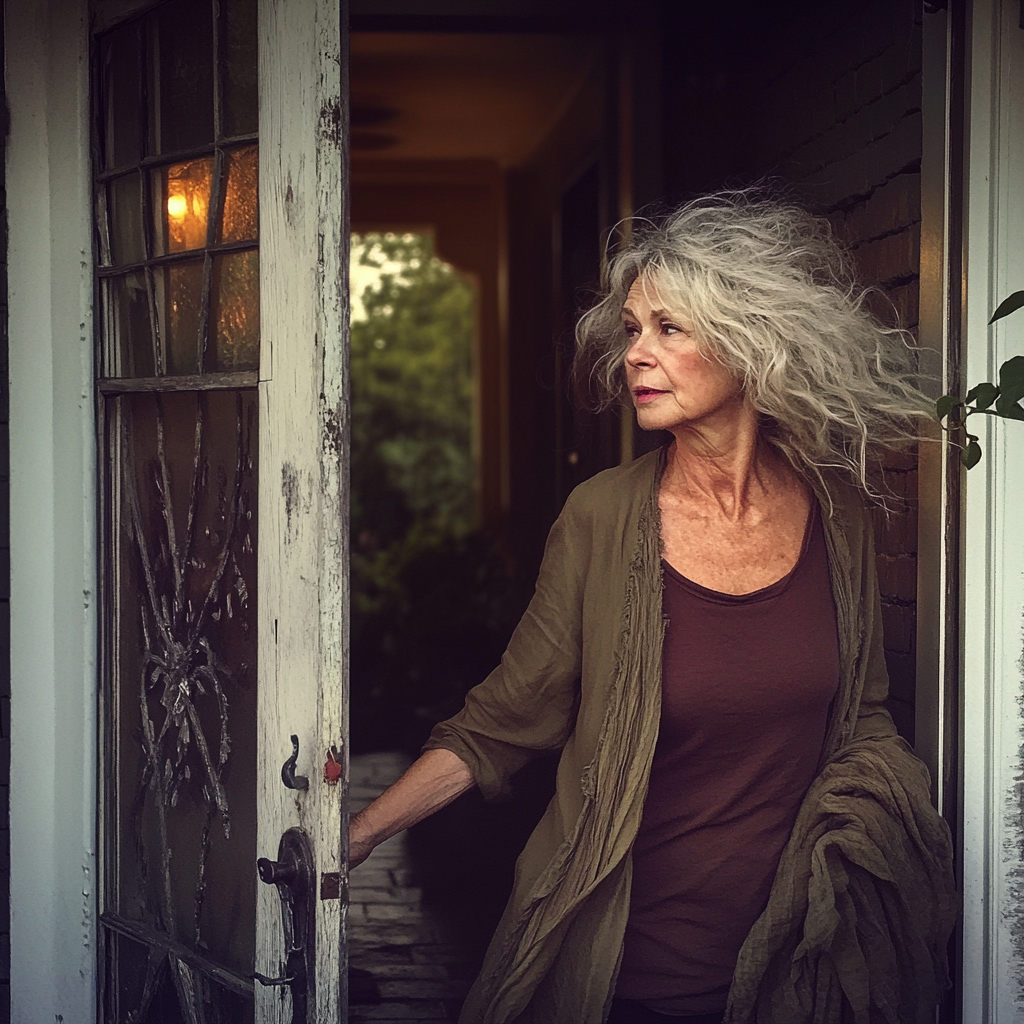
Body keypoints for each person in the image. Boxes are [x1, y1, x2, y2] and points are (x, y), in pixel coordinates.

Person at [348, 193, 958, 1024]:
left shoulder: (836, 513)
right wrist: (358, 833)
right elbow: (502, 720)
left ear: (749, 344)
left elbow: (864, 717)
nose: (636, 354)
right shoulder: (601, 518)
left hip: (797, 967)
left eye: (669, 329)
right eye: (632, 329)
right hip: (634, 974)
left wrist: (877, 839)